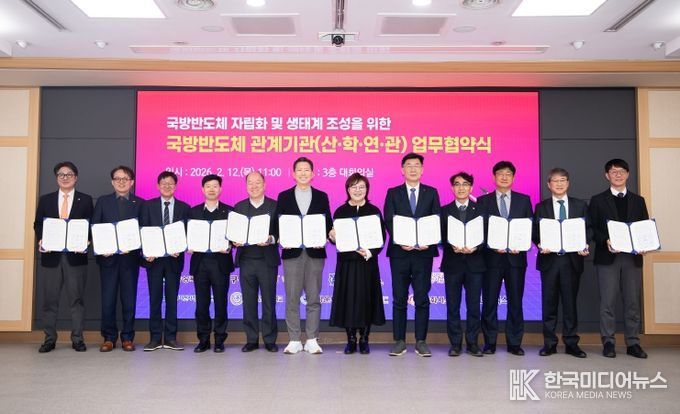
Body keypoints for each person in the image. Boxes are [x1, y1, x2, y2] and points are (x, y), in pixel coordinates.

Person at [589, 159, 650, 359]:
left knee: (632, 302)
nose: (618, 174)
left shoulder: (638, 200)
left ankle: (633, 342)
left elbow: (644, 227)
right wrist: (604, 240)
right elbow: (592, 228)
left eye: (622, 171)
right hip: (608, 257)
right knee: (607, 302)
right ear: (607, 175)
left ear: (628, 174)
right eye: (613, 171)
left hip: (632, 258)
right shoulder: (597, 200)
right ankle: (608, 342)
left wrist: (645, 243)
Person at [273, 157, 332, 355]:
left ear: (313, 174)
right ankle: (294, 339)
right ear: (293, 173)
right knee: (292, 298)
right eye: (299, 169)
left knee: (314, 297)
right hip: (292, 253)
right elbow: (277, 224)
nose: (303, 173)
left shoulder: (322, 196)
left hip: (315, 252)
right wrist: (278, 238)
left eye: (307, 170)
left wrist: (329, 235)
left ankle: (312, 339)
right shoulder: (284, 196)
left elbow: (327, 223)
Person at [384, 152, 441, 357]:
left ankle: (421, 341)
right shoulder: (393, 192)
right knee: (399, 298)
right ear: (402, 170)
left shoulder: (431, 192)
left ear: (422, 170)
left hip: (423, 254)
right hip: (400, 253)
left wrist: (429, 241)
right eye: (409, 165)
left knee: (422, 298)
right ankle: (399, 341)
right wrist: (401, 240)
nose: (413, 169)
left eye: (417, 165)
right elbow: (389, 219)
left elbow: (436, 219)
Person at [33, 161, 94, 353]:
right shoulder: (46, 199)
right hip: (51, 258)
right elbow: (38, 224)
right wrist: (42, 239)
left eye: (69, 174)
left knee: (77, 300)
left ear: (76, 177)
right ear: (56, 178)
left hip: (76, 258)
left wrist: (87, 241)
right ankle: (49, 339)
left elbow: (91, 225)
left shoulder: (85, 200)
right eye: (61, 174)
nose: (65, 177)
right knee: (49, 301)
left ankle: (77, 339)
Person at [477, 160, 533, 356]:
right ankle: (490, 342)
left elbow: (529, 227)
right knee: (490, 301)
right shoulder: (483, 201)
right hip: (491, 259)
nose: (504, 177)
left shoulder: (523, 200)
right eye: (500, 174)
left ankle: (514, 343)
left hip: (516, 260)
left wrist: (522, 243)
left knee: (515, 302)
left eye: (508, 174)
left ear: (513, 178)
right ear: (494, 177)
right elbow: (479, 230)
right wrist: (491, 244)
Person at [533, 168, 590, 358]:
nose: (559, 184)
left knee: (570, 305)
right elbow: (535, 231)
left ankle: (572, 343)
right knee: (549, 304)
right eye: (555, 181)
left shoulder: (580, 205)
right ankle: (549, 343)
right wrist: (539, 243)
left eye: (562, 180)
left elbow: (588, 229)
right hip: (549, 261)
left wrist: (585, 244)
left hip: (571, 261)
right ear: (548, 184)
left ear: (568, 183)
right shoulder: (541, 207)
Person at [329, 173, 386, 354]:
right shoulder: (340, 211)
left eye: (361, 187)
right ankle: (351, 339)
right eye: (354, 187)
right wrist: (332, 237)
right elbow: (335, 239)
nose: (357, 190)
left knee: (366, 300)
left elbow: (381, 237)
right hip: (346, 264)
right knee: (348, 300)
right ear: (348, 189)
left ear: (367, 189)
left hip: (367, 264)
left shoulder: (374, 211)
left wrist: (370, 252)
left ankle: (365, 338)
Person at [92, 165, 144, 352]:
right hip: (108, 260)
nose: (121, 182)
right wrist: (101, 248)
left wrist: (137, 245)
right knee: (108, 300)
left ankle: (128, 337)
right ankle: (109, 337)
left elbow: (144, 231)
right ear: (112, 182)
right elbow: (95, 227)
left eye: (125, 179)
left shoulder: (140, 203)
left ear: (132, 182)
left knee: (129, 300)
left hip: (130, 260)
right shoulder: (103, 202)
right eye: (117, 179)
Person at [139, 171, 190, 352]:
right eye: (163, 183)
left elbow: (188, 233)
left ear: (175, 186)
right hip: (153, 260)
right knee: (154, 299)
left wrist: (182, 247)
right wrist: (146, 252)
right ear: (158, 186)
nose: (167, 186)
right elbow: (142, 231)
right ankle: (154, 338)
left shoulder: (184, 207)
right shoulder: (147, 206)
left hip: (174, 260)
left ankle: (170, 338)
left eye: (170, 183)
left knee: (172, 300)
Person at [232, 172, 280, 353]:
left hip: (267, 261)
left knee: (269, 302)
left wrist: (271, 239)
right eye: (250, 183)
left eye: (258, 182)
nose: (254, 186)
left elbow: (281, 232)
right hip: (246, 261)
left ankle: (269, 339)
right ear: (246, 186)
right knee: (248, 302)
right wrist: (234, 241)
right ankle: (251, 339)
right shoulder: (239, 207)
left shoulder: (275, 206)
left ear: (264, 184)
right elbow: (233, 233)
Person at [440, 172, 484, 357]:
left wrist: (476, 247)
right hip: (453, 263)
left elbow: (488, 235)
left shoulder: (481, 209)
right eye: (457, 184)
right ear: (452, 188)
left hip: (475, 264)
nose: (461, 187)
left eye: (465, 184)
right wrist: (450, 245)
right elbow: (439, 236)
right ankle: (456, 343)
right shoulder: (444, 210)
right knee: (453, 306)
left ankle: (472, 343)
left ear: (471, 188)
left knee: (474, 306)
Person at [188, 174, 234, 353]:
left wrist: (229, 246)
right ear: (203, 189)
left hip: (220, 263)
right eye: (208, 186)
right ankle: (203, 339)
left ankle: (220, 339)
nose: (212, 189)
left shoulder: (230, 212)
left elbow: (234, 237)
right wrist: (188, 245)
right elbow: (187, 235)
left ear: (220, 189)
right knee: (201, 304)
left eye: (215, 186)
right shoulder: (193, 212)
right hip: (200, 263)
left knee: (221, 303)